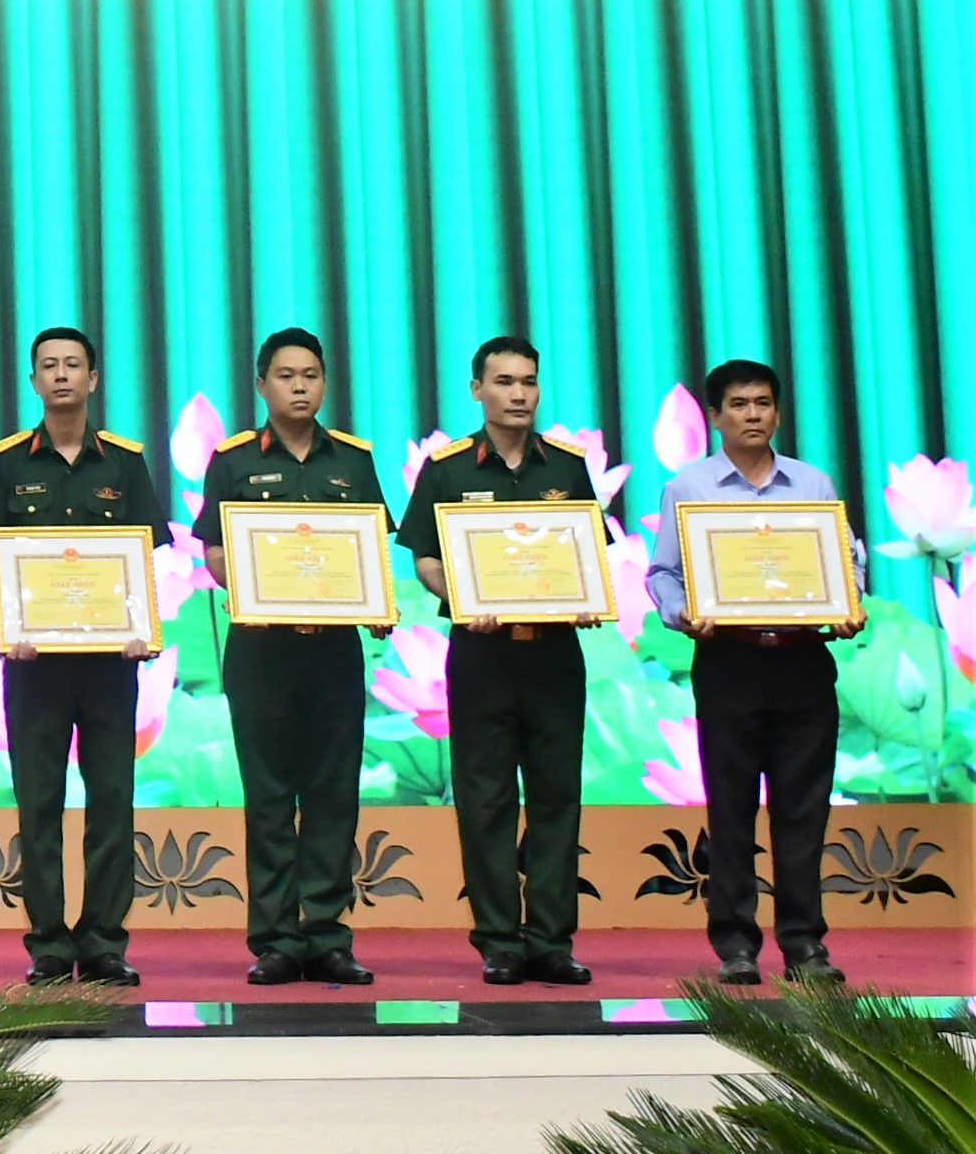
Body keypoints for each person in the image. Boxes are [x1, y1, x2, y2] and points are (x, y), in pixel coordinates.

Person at [650, 358, 864, 986]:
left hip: (802, 659)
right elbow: (663, 573)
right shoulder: (689, 488)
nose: (753, 415)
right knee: (731, 806)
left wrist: (849, 602)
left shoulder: (812, 484)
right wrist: (683, 614)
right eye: (739, 404)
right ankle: (736, 945)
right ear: (715, 416)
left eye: (763, 403)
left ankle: (804, 944)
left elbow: (847, 560)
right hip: (729, 660)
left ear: (778, 412)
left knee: (804, 808)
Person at [0, 327, 164, 988]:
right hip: (33, 666)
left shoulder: (124, 463)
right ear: (33, 381)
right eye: (48, 365)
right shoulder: (6, 463)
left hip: (109, 665)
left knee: (112, 799)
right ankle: (48, 943)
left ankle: (103, 941)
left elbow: (145, 557)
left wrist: (140, 627)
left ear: (93, 378)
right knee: (38, 802)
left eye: (72, 364)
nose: (61, 375)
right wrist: (9, 622)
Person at [401, 335, 604, 988]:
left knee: (556, 797)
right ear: (477, 390)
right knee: (485, 799)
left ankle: (551, 939)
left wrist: (586, 596)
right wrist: (461, 596)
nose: (518, 394)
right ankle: (498, 940)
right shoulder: (447, 468)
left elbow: (588, 557)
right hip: (481, 655)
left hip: (553, 656)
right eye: (504, 382)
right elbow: (425, 559)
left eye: (528, 382)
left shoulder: (566, 468)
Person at [195, 327, 388, 989]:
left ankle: (328, 936)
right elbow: (213, 550)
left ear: (324, 382)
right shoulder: (232, 461)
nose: (299, 386)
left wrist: (374, 600)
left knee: (333, 795)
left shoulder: (353, 460)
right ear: (261, 384)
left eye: (310, 375)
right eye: (285, 375)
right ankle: (276, 939)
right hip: (261, 651)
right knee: (270, 798)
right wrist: (256, 587)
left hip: (333, 652)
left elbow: (371, 549)